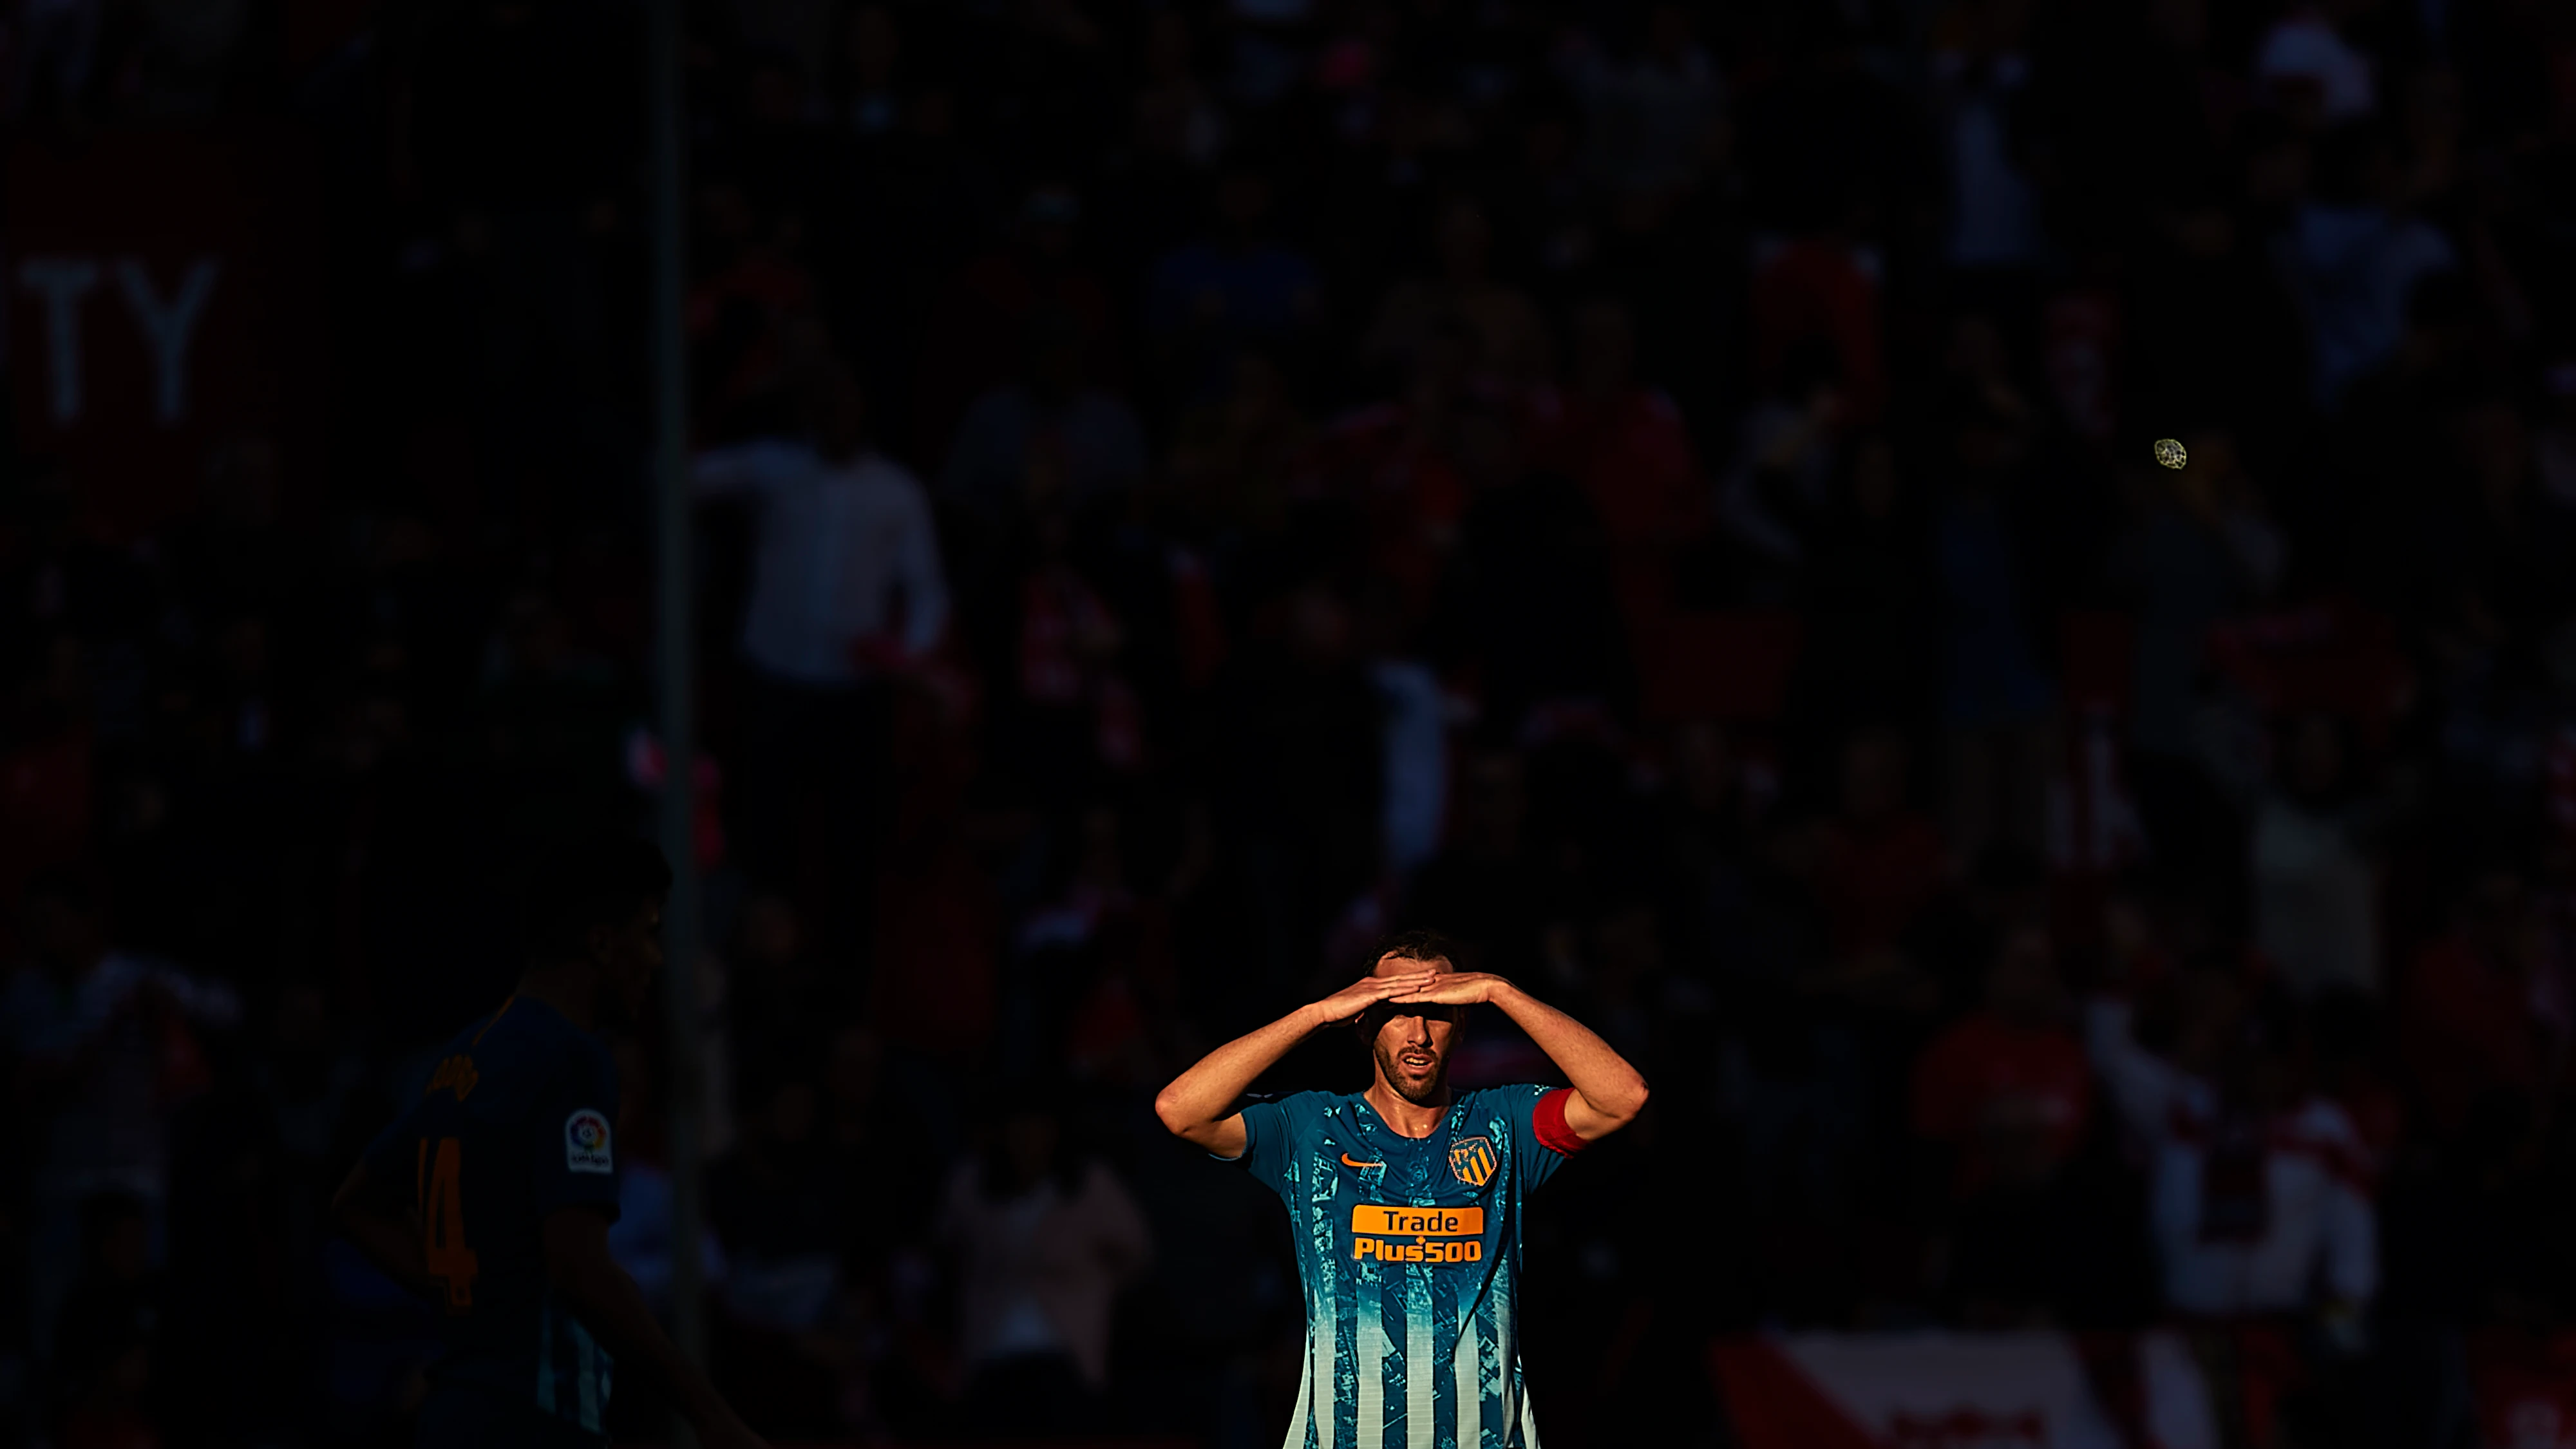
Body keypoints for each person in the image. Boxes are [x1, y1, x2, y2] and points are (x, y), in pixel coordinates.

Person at [330, 839, 766, 1449]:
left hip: (454, 1411)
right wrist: (710, 1412)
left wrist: (464, 1292)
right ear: (601, 943)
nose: (657, 959)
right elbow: (580, 1268)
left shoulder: (467, 1056)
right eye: (648, 933)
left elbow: (357, 1203)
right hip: (535, 1419)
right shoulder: (573, 1060)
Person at [1152, 931, 1649, 1448]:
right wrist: (1316, 1014)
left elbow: (1624, 1097)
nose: (1418, 1034)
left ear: (1460, 1025)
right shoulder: (1313, 1129)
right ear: (1364, 1022)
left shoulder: (1506, 1123)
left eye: (1436, 1011)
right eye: (1394, 1010)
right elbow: (1180, 1110)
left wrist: (1502, 991)